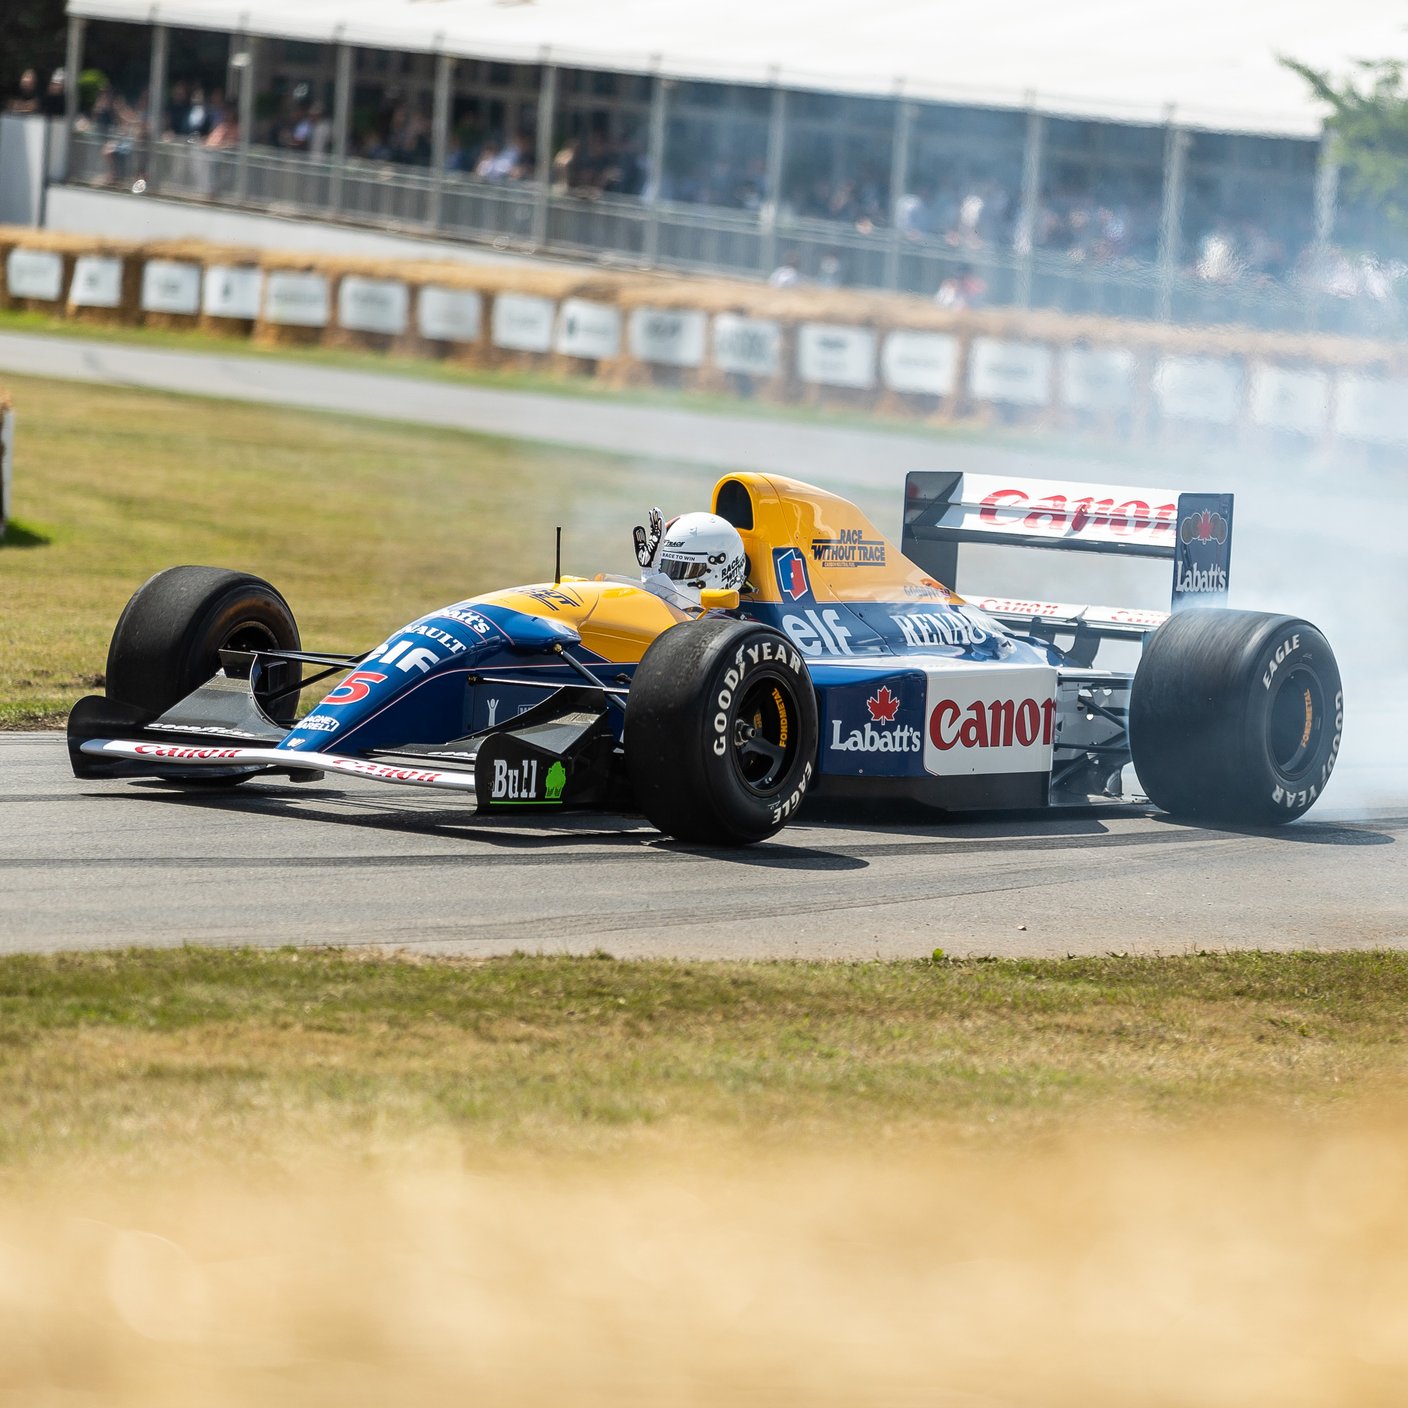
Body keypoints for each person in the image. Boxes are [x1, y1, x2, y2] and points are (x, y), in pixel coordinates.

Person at [633, 508, 747, 606]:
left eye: (688, 569)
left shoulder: (737, 626)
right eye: (666, 566)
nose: (670, 579)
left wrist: (652, 579)